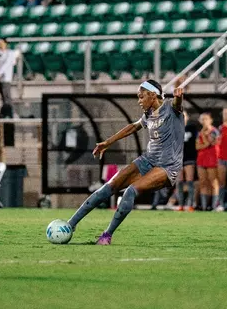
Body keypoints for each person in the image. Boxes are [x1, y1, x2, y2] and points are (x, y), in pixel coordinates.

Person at [66, 81, 184, 245]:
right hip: (148, 159)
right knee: (107, 188)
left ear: (152, 94)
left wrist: (179, 98)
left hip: (167, 166)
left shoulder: (172, 108)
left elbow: (178, 105)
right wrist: (107, 142)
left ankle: (106, 236)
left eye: (141, 96)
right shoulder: (149, 113)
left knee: (130, 191)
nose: (139, 100)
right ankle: (70, 225)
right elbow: (133, 127)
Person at [196, 112, 220, 211]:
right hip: (201, 159)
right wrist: (204, 141)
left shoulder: (214, 131)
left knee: (213, 182)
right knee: (203, 182)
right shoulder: (200, 132)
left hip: (212, 159)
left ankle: (213, 206)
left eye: (206, 119)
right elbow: (197, 146)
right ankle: (205, 206)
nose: (204, 121)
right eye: (202, 119)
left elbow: (209, 143)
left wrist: (203, 137)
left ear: (210, 120)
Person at [0, 38, 21, 117]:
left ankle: (10, 113)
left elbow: (7, 64)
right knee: (4, 97)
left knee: (7, 96)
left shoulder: (9, 53)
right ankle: (6, 113)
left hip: (5, 79)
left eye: (1, 43)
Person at [176, 111, 198, 211]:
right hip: (178, 159)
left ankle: (190, 204)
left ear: (187, 118)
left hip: (189, 158)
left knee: (189, 181)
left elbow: (197, 143)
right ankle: (180, 204)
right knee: (179, 182)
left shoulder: (192, 129)